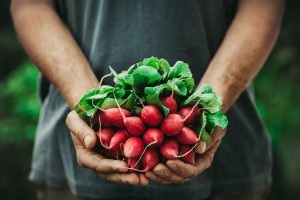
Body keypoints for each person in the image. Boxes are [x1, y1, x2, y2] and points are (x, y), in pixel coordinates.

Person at [11, 0, 284, 199]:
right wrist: (89, 103)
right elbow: (30, 6)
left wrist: (208, 107)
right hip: (70, 167)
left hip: (227, 167)